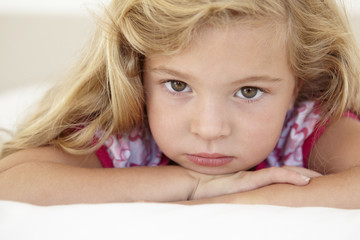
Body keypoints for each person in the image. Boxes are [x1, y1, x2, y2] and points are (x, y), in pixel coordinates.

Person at [0, 0, 359, 208]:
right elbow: (13, 183)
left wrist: (238, 201)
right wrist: (192, 184)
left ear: (299, 85)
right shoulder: (130, 132)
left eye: (248, 91)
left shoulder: (307, 125)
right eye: (177, 85)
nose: (209, 128)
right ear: (136, 74)